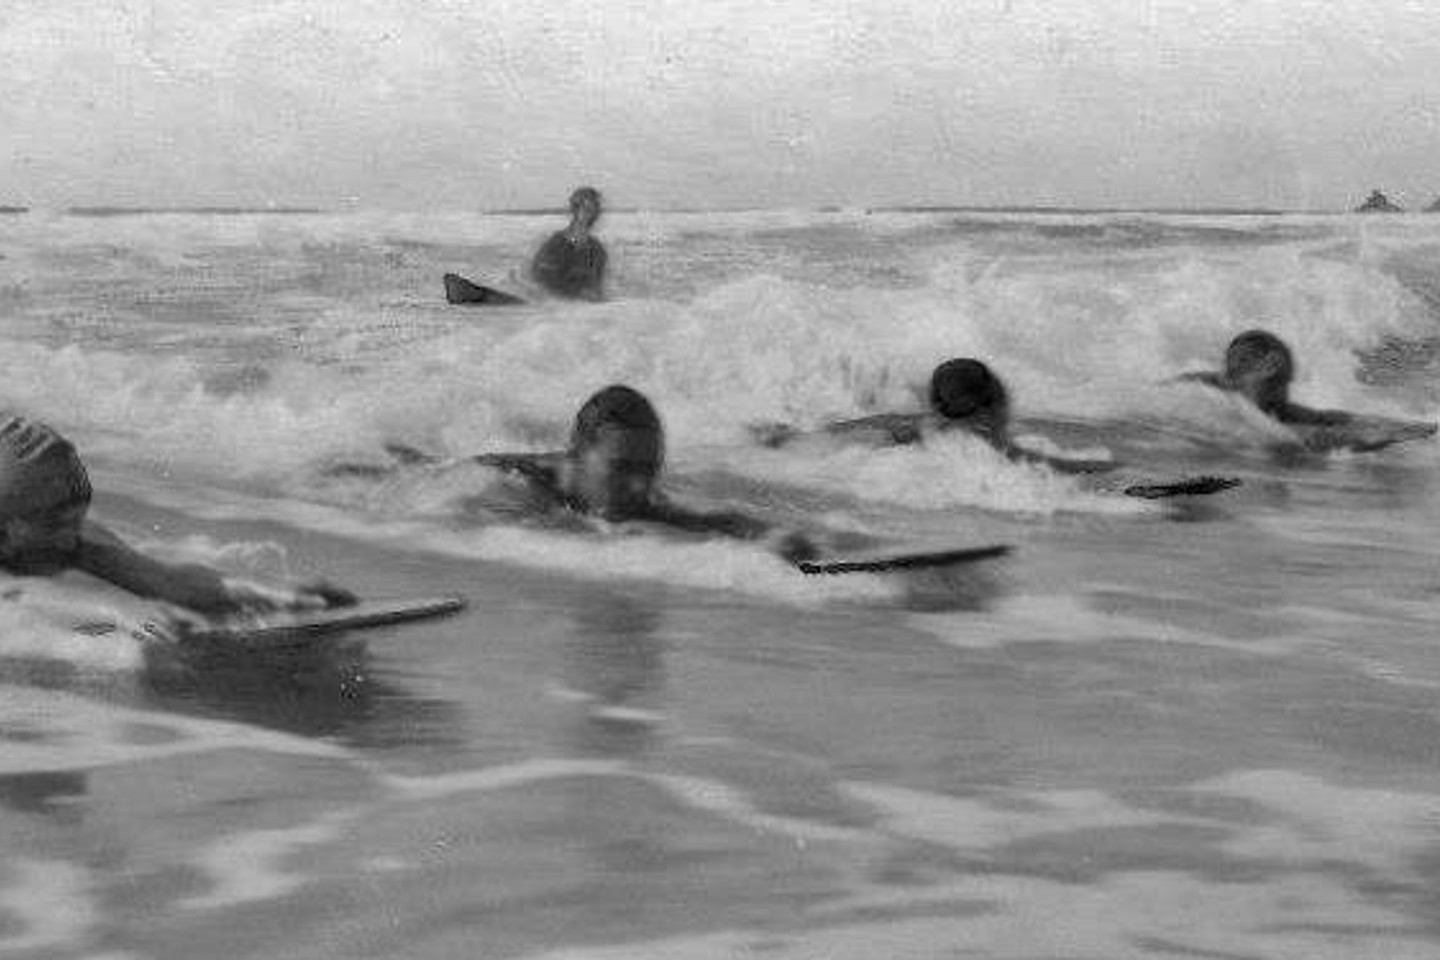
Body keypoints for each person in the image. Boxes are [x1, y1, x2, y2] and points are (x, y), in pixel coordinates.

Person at [0, 416, 354, 614]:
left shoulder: (73, 539)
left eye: (76, 519)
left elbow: (170, 581)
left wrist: (277, 597)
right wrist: (128, 628)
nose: (69, 537)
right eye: (53, 525)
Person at [752, 358, 1111, 474]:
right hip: (879, 440)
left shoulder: (932, 420)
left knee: (794, 439)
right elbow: (1042, 463)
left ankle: (776, 434)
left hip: (877, 432)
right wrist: (1104, 468)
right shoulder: (973, 433)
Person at [1179, 329, 1437, 453]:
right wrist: (1368, 438)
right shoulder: (1207, 393)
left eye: (1283, 380)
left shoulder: (1274, 407)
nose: (1282, 389)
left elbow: (1328, 418)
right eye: (1274, 380)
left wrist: (1402, 427)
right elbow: (1306, 437)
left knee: (1319, 418)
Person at [530, 186, 608, 301]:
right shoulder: (556, 244)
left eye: (594, 210)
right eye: (586, 209)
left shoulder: (598, 250)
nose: (590, 215)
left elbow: (597, 287)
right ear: (575, 210)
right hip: (557, 303)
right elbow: (540, 278)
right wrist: (576, 293)